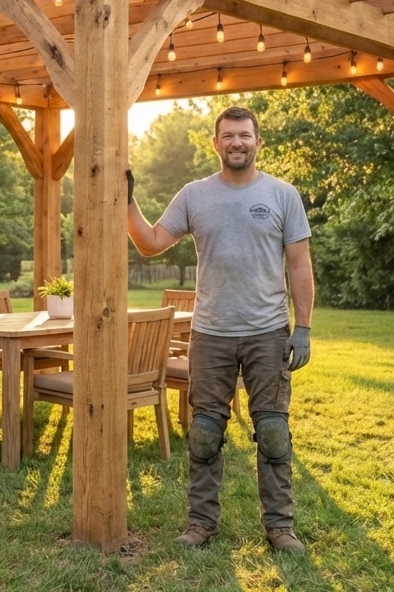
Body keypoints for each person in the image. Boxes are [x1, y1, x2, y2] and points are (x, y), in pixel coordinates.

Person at [126, 105, 314, 553]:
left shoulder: (283, 194)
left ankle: (280, 527)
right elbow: (151, 243)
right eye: (228, 135)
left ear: (257, 142)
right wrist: (126, 199)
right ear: (215, 143)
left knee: (272, 431)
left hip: (267, 332)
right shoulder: (194, 195)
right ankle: (201, 523)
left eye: (245, 135)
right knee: (205, 431)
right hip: (210, 333)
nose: (237, 143)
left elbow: (300, 264)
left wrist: (303, 327)